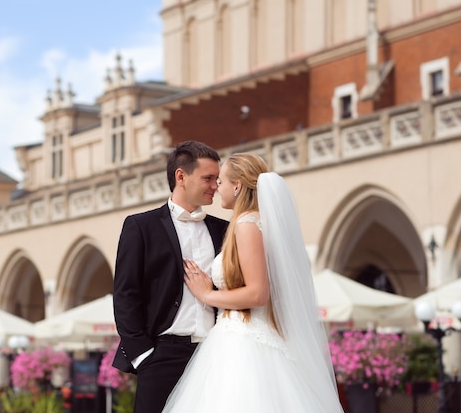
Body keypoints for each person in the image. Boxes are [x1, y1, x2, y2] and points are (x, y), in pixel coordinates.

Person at [162, 153, 344, 412]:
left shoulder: (247, 224)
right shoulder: (260, 223)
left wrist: (206, 295)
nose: (216, 187)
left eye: (221, 181)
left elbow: (258, 293)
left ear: (237, 186)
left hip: (243, 342)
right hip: (250, 335)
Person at [112, 140, 229, 413]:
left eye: (217, 179)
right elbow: (125, 294)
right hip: (161, 355)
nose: (215, 186)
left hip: (215, 355)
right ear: (181, 176)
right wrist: (143, 355)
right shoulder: (140, 226)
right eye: (208, 178)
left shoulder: (225, 230)